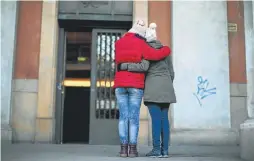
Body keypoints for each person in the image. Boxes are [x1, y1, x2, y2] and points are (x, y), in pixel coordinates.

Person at [114, 20, 171, 158]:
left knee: (123, 117)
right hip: (135, 85)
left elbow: (117, 62)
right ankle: (132, 150)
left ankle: (123, 149)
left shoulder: (118, 43)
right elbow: (155, 55)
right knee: (133, 118)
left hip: (120, 84)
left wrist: (124, 65)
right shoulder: (141, 43)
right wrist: (167, 49)